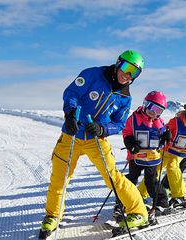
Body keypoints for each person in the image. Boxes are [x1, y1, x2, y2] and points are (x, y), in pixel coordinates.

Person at [39, 50, 148, 238]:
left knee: (112, 178)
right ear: (117, 64)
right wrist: (70, 113)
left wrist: (102, 129)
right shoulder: (92, 75)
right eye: (125, 68)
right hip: (71, 135)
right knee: (60, 178)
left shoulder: (124, 97)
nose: (127, 75)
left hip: (96, 140)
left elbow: (119, 123)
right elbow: (72, 93)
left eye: (134, 73)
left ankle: (138, 211)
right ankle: (52, 216)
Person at [138, 95, 186, 208]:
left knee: (172, 166)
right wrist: (165, 133)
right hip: (167, 150)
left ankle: (179, 195)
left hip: (181, 153)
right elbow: (163, 130)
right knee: (154, 171)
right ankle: (140, 194)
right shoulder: (176, 121)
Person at [120, 91, 171, 217]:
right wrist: (130, 143)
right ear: (145, 104)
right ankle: (123, 202)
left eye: (159, 110)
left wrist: (166, 136)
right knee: (131, 179)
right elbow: (126, 132)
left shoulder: (160, 122)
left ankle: (162, 203)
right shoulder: (133, 119)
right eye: (152, 107)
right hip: (135, 156)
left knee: (151, 181)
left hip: (152, 157)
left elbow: (163, 136)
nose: (154, 113)